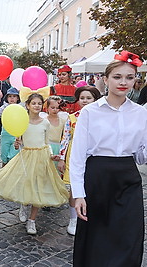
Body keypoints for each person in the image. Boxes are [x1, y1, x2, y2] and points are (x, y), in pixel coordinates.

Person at [70, 51, 147, 266]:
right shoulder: (89, 112)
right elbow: (77, 157)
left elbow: (141, 157)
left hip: (128, 179)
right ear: (106, 79)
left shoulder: (141, 113)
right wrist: (79, 194)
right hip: (97, 178)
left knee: (129, 237)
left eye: (130, 77)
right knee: (96, 238)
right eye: (117, 77)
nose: (124, 82)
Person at [0, 92, 69, 235]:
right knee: (26, 184)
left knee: (38, 188)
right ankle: (23, 205)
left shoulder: (45, 122)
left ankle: (32, 221)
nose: (37, 106)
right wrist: (17, 143)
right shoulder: (23, 121)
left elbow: (46, 142)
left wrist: (51, 155)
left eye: (39, 103)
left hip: (42, 156)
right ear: (28, 105)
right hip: (27, 155)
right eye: (34, 103)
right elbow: (19, 141)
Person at [57, 86, 101, 236]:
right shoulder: (72, 118)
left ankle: (92, 217)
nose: (85, 101)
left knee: (93, 188)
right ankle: (73, 219)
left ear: (95, 99)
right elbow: (65, 139)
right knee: (75, 189)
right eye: (82, 98)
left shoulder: (102, 118)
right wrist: (61, 158)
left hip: (95, 158)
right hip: (74, 157)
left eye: (89, 98)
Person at [0, 87, 21, 167]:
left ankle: (10, 171)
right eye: (10, 96)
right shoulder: (4, 107)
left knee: (13, 155)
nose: (12, 98)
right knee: (4, 154)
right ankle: (3, 171)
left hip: (15, 134)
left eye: (14, 96)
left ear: (17, 98)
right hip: (5, 134)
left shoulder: (20, 108)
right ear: (7, 98)